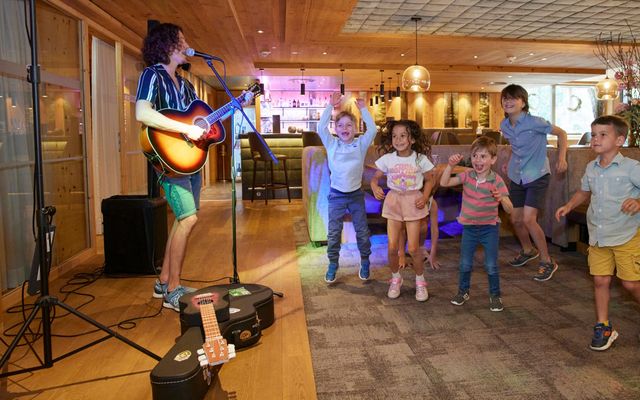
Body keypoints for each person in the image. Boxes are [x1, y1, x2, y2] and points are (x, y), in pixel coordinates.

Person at [135, 23, 206, 311]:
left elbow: (197, 120)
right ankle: (173, 291)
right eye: (182, 39)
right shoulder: (152, 75)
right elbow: (142, 112)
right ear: (168, 45)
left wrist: (238, 104)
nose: (187, 42)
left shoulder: (185, 83)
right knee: (188, 219)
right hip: (167, 160)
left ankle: (164, 281)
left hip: (188, 159)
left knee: (182, 219)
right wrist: (184, 130)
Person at [555, 115, 640, 351]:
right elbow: (584, 191)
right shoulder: (591, 167)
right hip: (599, 235)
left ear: (620, 140)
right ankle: (603, 325)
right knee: (600, 280)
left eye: (603, 134)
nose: (596, 139)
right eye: (593, 134)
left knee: (631, 284)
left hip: (626, 234)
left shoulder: (631, 168)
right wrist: (569, 205)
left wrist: (638, 202)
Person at [500, 84, 567, 281]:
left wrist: (562, 158)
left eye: (513, 98)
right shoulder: (504, 125)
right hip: (516, 175)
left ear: (523, 102)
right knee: (515, 219)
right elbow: (516, 146)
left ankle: (547, 261)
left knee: (529, 219)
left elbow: (562, 134)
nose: (508, 102)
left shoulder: (536, 122)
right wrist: (508, 162)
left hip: (537, 175)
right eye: (505, 99)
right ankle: (528, 250)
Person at [440, 136, 513, 311]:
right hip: (470, 228)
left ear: (493, 159)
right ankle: (463, 291)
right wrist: (449, 166)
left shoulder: (497, 181)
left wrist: (501, 198)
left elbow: (510, 209)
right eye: (475, 156)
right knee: (465, 264)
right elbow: (444, 182)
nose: (478, 161)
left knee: (491, 265)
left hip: (490, 228)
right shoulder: (467, 176)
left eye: (483, 156)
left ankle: (495, 296)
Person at [371, 120, 436, 301]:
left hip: (413, 202)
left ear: (412, 139)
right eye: (394, 136)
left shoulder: (419, 159)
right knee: (392, 248)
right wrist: (375, 186)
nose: (398, 140)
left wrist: (424, 196)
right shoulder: (388, 159)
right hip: (393, 201)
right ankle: (395, 278)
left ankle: (420, 281)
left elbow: (430, 180)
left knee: (414, 248)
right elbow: (374, 178)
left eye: (403, 135)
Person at [318, 92, 377, 283]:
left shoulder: (360, 144)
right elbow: (320, 127)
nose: (345, 128)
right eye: (340, 125)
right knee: (334, 232)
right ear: (335, 128)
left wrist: (363, 110)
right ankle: (333, 264)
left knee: (362, 230)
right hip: (336, 195)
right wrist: (330, 106)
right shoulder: (332, 144)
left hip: (355, 195)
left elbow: (373, 131)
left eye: (349, 125)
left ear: (355, 128)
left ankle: (365, 261)